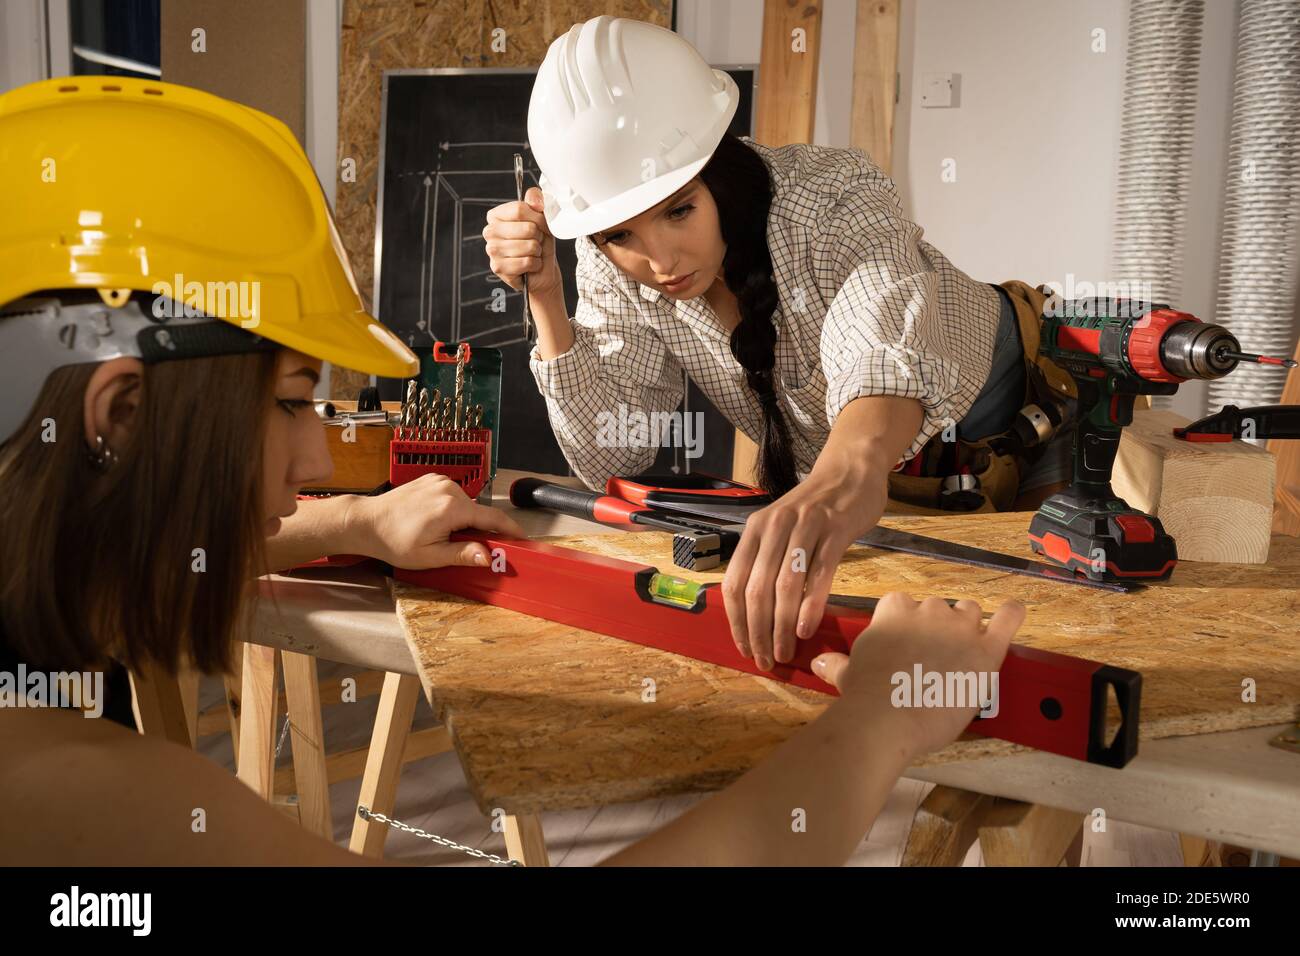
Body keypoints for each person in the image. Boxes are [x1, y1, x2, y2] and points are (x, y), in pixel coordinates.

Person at [0, 77, 1024, 866]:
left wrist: (347, 527)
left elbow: (884, 325)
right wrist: (875, 724)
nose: (316, 455)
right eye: (290, 400)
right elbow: (609, 442)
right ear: (122, 411)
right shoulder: (68, 792)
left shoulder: (831, 199)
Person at [484, 16, 1069, 677]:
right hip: (873, 482)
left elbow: (882, 355)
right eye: (621, 234)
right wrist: (545, 298)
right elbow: (614, 454)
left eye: (679, 211)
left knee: (1055, 646)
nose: (661, 259)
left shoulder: (833, 198)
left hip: (1025, 412)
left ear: (718, 169)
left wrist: (840, 480)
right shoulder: (610, 262)